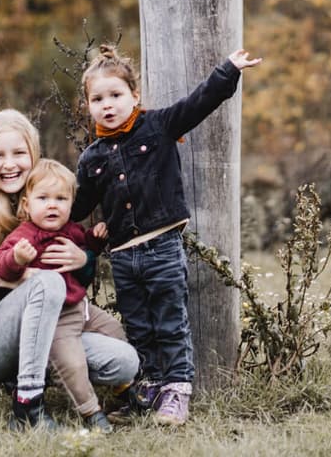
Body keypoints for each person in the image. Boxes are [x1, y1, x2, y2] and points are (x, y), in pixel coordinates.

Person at [71, 45, 262, 426]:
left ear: (134, 96)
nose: (107, 105)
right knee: (138, 326)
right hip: (123, 256)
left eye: (115, 95)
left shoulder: (158, 126)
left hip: (162, 248)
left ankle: (177, 392)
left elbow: (199, 103)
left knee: (169, 321)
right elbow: (76, 209)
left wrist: (229, 70)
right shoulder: (90, 158)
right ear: (87, 105)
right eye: (97, 99)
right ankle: (148, 389)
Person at [0, 109, 139, 432]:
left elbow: (70, 282)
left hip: (49, 332)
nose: (9, 163)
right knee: (47, 282)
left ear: (33, 155)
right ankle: (26, 408)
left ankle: (74, 383)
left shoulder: (45, 203)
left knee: (124, 361)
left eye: (19, 153)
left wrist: (84, 260)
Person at [0, 158, 135, 433]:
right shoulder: (25, 236)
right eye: (43, 198)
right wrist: (17, 258)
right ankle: (91, 412)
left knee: (116, 329)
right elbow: (1, 265)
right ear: (27, 204)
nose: (52, 205)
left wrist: (94, 239)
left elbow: (84, 243)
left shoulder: (69, 230)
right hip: (56, 319)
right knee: (72, 364)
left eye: (61, 198)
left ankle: (122, 387)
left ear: (71, 204)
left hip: (81, 307)